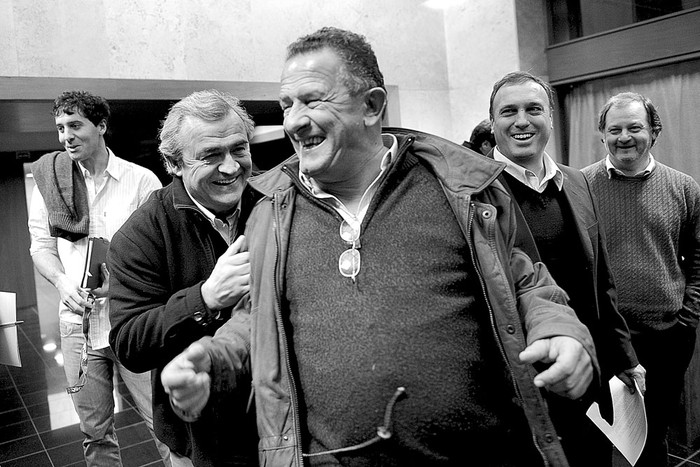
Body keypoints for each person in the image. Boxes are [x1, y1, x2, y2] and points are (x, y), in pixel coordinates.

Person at [161, 27, 599, 466]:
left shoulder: (458, 190)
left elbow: (524, 284)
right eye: (286, 105)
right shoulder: (269, 214)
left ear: (371, 105)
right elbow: (258, 319)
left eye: (313, 100)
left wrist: (562, 331)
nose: (293, 120)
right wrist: (214, 362)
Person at [487, 71, 644, 466]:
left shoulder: (576, 182)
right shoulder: (472, 191)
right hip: (516, 379)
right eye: (509, 111)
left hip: (584, 373)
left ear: (551, 120)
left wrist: (624, 357)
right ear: (493, 124)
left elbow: (601, 279)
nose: (522, 120)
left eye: (533, 109)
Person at [108, 89, 259, 467]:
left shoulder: (274, 208)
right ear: (174, 164)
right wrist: (205, 299)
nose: (230, 167)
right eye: (210, 155)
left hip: (276, 425)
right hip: (199, 440)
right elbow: (129, 343)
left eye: (238, 150)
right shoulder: (140, 235)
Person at [28, 90, 170, 466]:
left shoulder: (141, 182)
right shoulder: (50, 184)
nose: (66, 137)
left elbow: (161, 254)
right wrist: (61, 283)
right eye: (60, 128)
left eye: (75, 125)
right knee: (95, 435)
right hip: (77, 326)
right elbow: (40, 246)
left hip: (133, 319)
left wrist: (123, 284)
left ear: (101, 126)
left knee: (164, 426)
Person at [582, 92, 700, 467]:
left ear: (654, 131)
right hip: (602, 336)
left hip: (667, 335)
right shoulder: (580, 187)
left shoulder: (684, 188)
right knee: (597, 437)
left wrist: (688, 317)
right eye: (614, 129)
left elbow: (698, 257)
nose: (624, 137)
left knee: (653, 436)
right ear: (602, 135)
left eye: (635, 127)